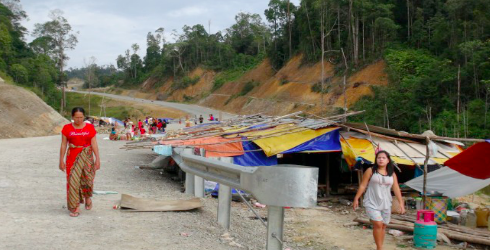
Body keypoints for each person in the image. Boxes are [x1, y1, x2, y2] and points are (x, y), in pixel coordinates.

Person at [353, 150, 405, 250]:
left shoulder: (392, 174)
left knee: (383, 226)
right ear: (376, 159)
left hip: (386, 203)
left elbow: (396, 188)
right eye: (379, 158)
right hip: (371, 201)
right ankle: (380, 248)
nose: (381, 159)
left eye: (383, 158)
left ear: (388, 160)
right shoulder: (370, 170)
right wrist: (356, 198)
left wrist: (401, 204)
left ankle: (379, 247)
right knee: (378, 224)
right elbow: (363, 185)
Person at [59, 107, 100, 217]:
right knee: (73, 182)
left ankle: (87, 198)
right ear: (72, 117)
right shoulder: (66, 128)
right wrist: (61, 160)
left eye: (81, 117)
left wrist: (98, 159)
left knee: (87, 180)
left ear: (84, 117)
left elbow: (94, 143)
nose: (79, 119)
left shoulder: (90, 127)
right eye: (76, 117)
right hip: (72, 157)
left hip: (87, 157)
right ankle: (75, 207)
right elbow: (63, 144)